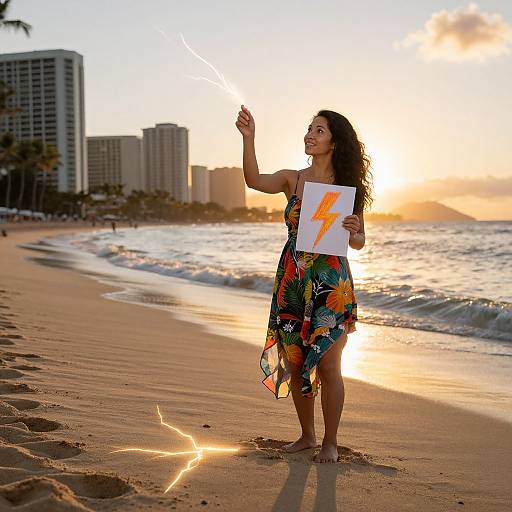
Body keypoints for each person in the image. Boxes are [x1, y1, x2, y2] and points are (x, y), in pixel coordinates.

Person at [236, 105, 372, 463]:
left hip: (331, 284)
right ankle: (306, 436)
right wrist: (249, 139)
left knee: (329, 366)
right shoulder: (292, 179)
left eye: (319, 130)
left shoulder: (347, 188)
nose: (310, 135)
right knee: (296, 361)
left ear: (334, 142)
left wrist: (356, 232)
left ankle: (330, 442)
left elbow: (357, 243)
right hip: (293, 280)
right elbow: (254, 180)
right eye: (309, 129)